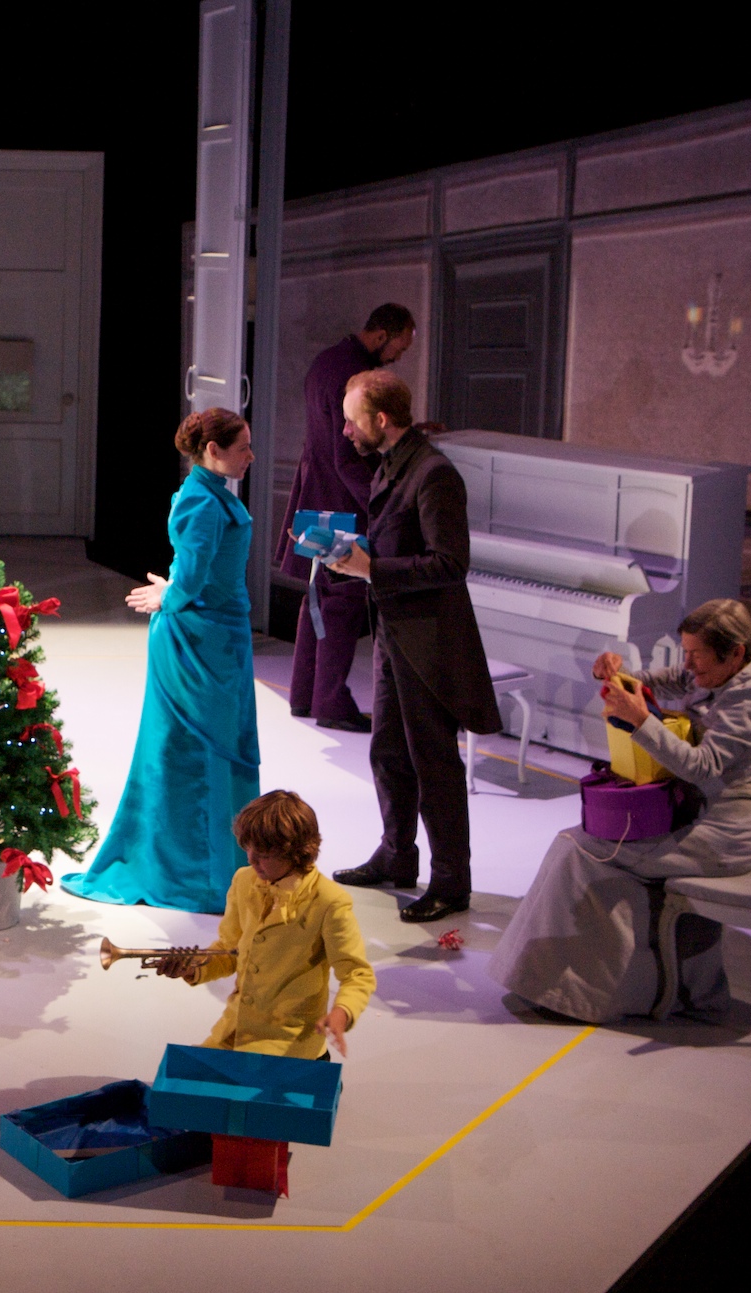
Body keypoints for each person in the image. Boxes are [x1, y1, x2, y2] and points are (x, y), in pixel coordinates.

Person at [488, 601, 751, 1023]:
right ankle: (563, 986)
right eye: (686, 652)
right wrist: (615, 675)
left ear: (735, 652)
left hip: (722, 836)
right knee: (577, 846)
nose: (688, 665)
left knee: (580, 850)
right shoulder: (716, 673)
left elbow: (701, 766)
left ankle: (576, 993)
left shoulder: (750, 700)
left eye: (696, 655)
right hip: (693, 817)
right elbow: (659, 680)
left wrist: (643, 723)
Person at [60, 408, 260, 914]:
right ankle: (198, 872)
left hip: (219, 636)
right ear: (213, 451)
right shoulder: (202, 503)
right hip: (198, 642)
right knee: (191, 752)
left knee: (209, 746)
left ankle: (221, 864)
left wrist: (174, 593)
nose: (251, 457)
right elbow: (192, 580)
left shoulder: (212, 494)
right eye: (243, 449)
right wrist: (170, 596)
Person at [326, 371, 501, 923]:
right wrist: (353, 555)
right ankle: (398, 855)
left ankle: (452, 880)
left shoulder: (434, 475)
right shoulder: (394, 464)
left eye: (353, 421)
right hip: (394, 633)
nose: (346, 431)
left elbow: (451, 564)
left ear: (381, 420)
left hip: (429, 642)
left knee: (434, 763)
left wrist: (372, 567)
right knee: (388, 751)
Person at [153, 791, 375, 1057]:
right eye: (248, 848)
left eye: (264, 854)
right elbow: (228, 950)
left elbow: (357, 975)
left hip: (288, 1046)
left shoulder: (330, 901)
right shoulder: (244, 880)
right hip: (233, 1031)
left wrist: (342, 1013)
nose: (250, 859)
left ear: (296, 852)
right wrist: (193, 967)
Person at [279, 304, 416, 732]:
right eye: (400, 346)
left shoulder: (327, 361)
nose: (399, 355)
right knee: (342, 602)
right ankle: (332, 702)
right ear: (381, 335)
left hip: (314, 493)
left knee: (317, 599)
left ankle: (305, 696)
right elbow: (347, 458)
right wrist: (384, 501)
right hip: (341, 501)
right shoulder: (354, 375)